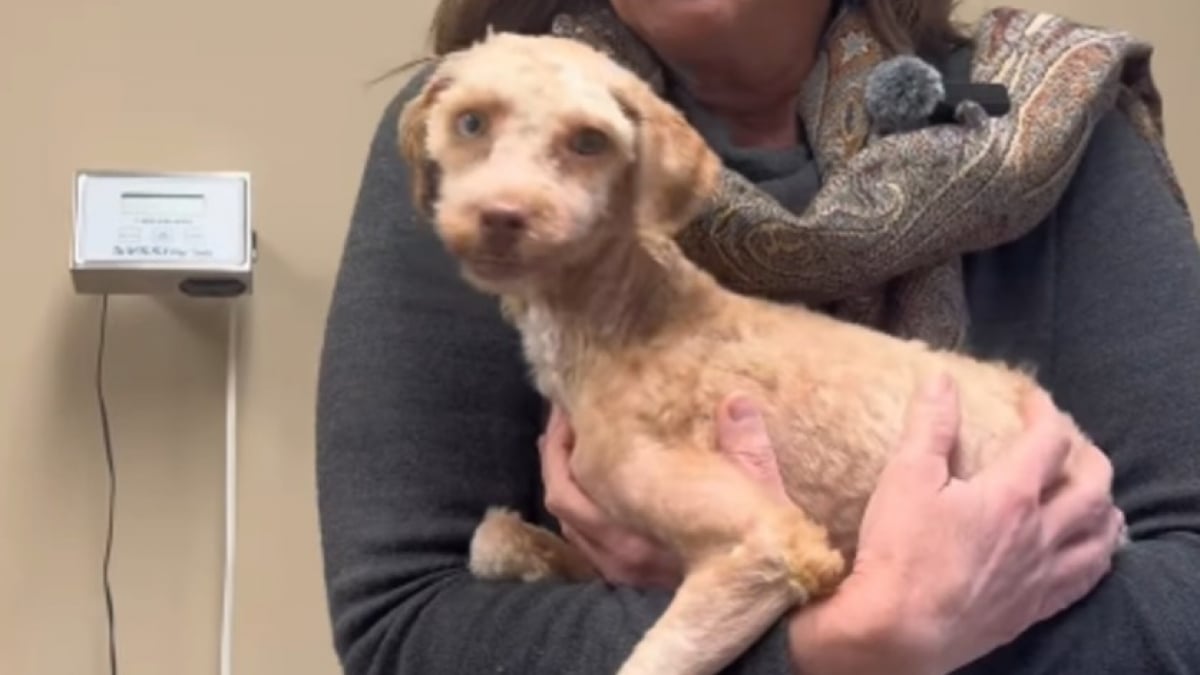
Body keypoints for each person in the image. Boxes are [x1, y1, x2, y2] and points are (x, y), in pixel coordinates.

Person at [315, 0, 1200, 673]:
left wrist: (909, 624)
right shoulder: (484, 132)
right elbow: (406, 623)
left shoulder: (1052, 129)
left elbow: (1186, 592)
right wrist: (838, 645)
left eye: (584, 147)